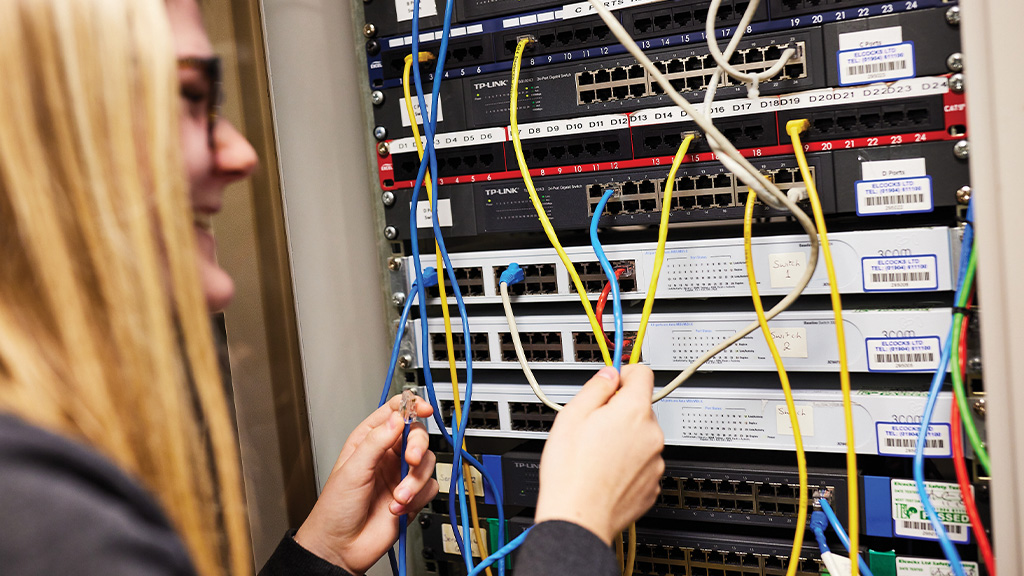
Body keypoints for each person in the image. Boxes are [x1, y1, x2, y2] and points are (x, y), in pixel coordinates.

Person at [0, 1, 665, 575]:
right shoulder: (44, 517)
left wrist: (321, 554)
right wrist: (576, 527)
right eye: (190, 97)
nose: (243, 153)